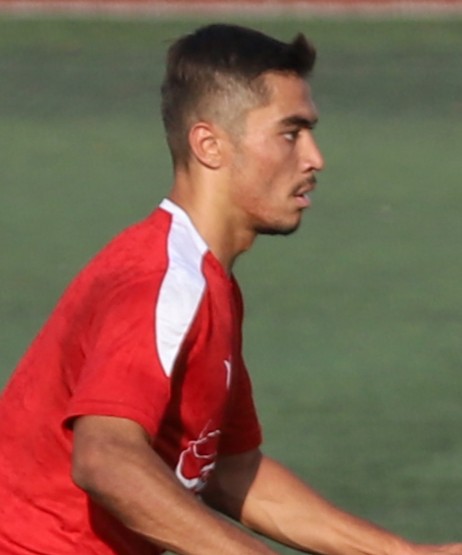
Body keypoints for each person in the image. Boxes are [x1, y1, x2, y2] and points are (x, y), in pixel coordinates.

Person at [0, 23, 459, 555]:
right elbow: (105, 459)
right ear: (209, 145)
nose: (315, 157)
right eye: (290, 133)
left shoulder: (206, 283)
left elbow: (229, 469)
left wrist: (408, 554)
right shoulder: (162, 280)